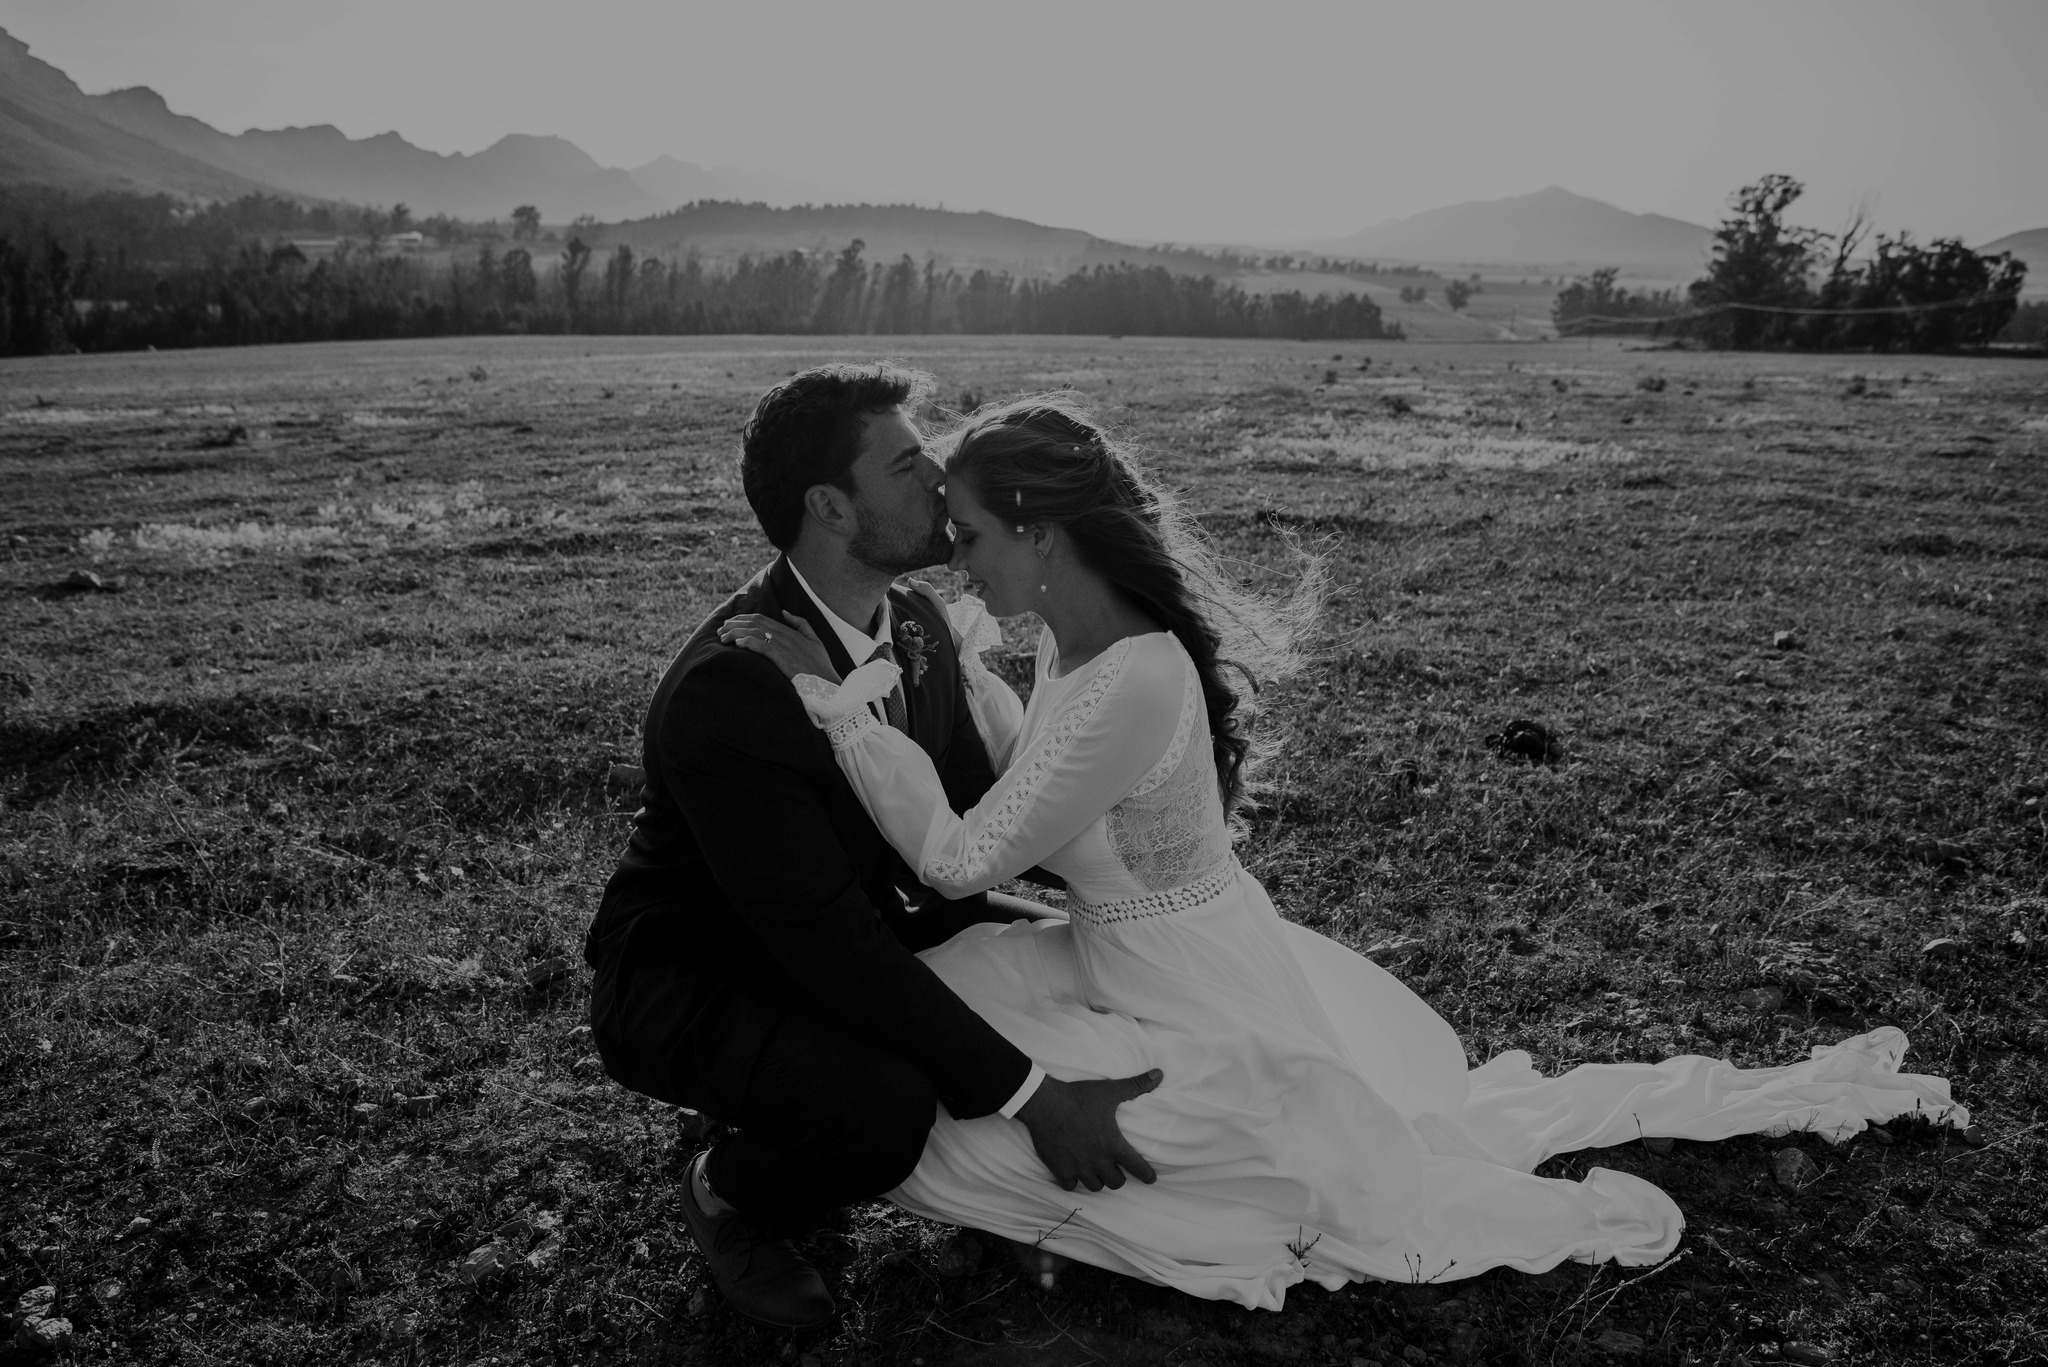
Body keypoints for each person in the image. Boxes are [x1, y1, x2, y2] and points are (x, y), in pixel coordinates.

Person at [721, 393, 1970, 1311]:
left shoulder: (1136, 678)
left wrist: (840, 711)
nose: (954, 557)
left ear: (1039, 533)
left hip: (1180, 979)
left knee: (1239, 1161)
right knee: (934, 1015)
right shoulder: (1066, 642)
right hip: (1122, 945)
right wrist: (940, 675)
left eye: (970, 535)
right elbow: (1031, 755)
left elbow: (960, 862)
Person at [584, 366, 1162, 1330]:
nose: (940, 476)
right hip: (704, 969)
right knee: (883, 1109)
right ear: (831, 508)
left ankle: (802, 1096)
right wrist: (1034, 1098)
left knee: (1073, 954)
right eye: (907, 464)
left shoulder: (921, 624)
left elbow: (977, 820)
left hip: (858, 922)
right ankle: (724, 1192)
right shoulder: (730, 691)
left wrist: (1135, 885)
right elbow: (835, 949)